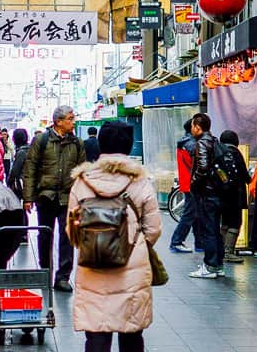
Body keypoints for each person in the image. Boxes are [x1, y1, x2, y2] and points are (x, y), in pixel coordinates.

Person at [68, 120, 161, 352]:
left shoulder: (82, 181)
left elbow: (72, 230)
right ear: (129, 146)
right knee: (131, 332)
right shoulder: (140, 181)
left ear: (100, 145)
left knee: (97, 333)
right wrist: (134, 245)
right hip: (131, 266)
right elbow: (154, 227)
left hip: (92, 265)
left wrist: (95, 243)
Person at [23, 105, 86, 292]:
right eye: (70, 118)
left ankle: (63, 277)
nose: (73, 122)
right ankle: (45, 273)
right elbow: (30, 169)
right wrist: (28, 197)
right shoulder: (41, 140)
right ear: (59, 122)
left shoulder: (77, 143)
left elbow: (82, 171)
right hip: (46, 196)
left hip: (69, 197)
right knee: (45, 235)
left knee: (68, 237)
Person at [188, 113, 224, 279]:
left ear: (197, 127)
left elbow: (202, 167)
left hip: (206, 193)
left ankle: (209, 266)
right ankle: (217, 264)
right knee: (215, 229)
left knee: (208, 229)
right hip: (216, 192)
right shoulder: (214, 140)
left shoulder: (202, 142)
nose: (191, 129)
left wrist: (193, 183)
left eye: (192, 126)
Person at [218, 130, 249, 263]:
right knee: (235, 222)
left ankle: (221, 250)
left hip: (222, 193)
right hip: (236, 194)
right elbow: (244, 174)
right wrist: (249, 178)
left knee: (225, 222)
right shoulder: (236, 153)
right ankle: (228, 252)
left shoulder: (218, 152)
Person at [169, 119, 198, 254]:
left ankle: (200, 242)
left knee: (194, 213)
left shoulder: (184, 142)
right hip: (192, 183)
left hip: (187, 182)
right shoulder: (191, 144)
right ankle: (177, 241)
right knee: (189, 213)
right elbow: (196, 164)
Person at [7, 128, 30, 198]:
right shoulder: (30, 149)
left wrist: (9, 181)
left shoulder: (21, 152)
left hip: (21, 183)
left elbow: (15, 170)